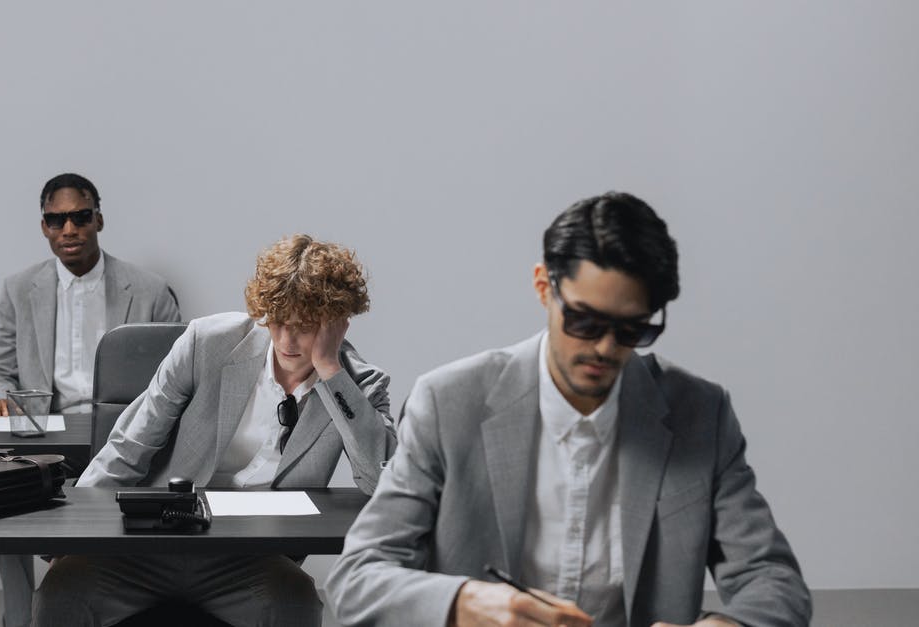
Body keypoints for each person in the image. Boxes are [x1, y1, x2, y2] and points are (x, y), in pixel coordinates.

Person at [326, 192, 811, 627]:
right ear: (544, 287)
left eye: (630, 331)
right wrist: (465, 603)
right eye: (583, 320)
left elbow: (774, 581)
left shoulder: (700, 415)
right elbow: (356, 581)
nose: (604, 347)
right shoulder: (449, 403)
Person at [33, 234, 397, 627]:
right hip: (155, 543)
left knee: (295, 603)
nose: (287, 340)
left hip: (252, 558)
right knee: (62, 593)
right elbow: (130, 445)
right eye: (277, 321)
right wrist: (72, 535)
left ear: (334, 324)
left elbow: (382, 481)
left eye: (305, 327)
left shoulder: (357, 386)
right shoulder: (207, 343)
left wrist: (329, 368)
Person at [0, 172, 181, 627]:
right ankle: (20, 616)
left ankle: (75, 600)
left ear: (99, 220)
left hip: (125, 437)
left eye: (80, 217)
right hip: (45, 436)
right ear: (44, 227)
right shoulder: (18, 289)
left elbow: (180, 379)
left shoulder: (149, 290)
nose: (68, 229)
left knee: (90, 523)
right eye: (56, 220)